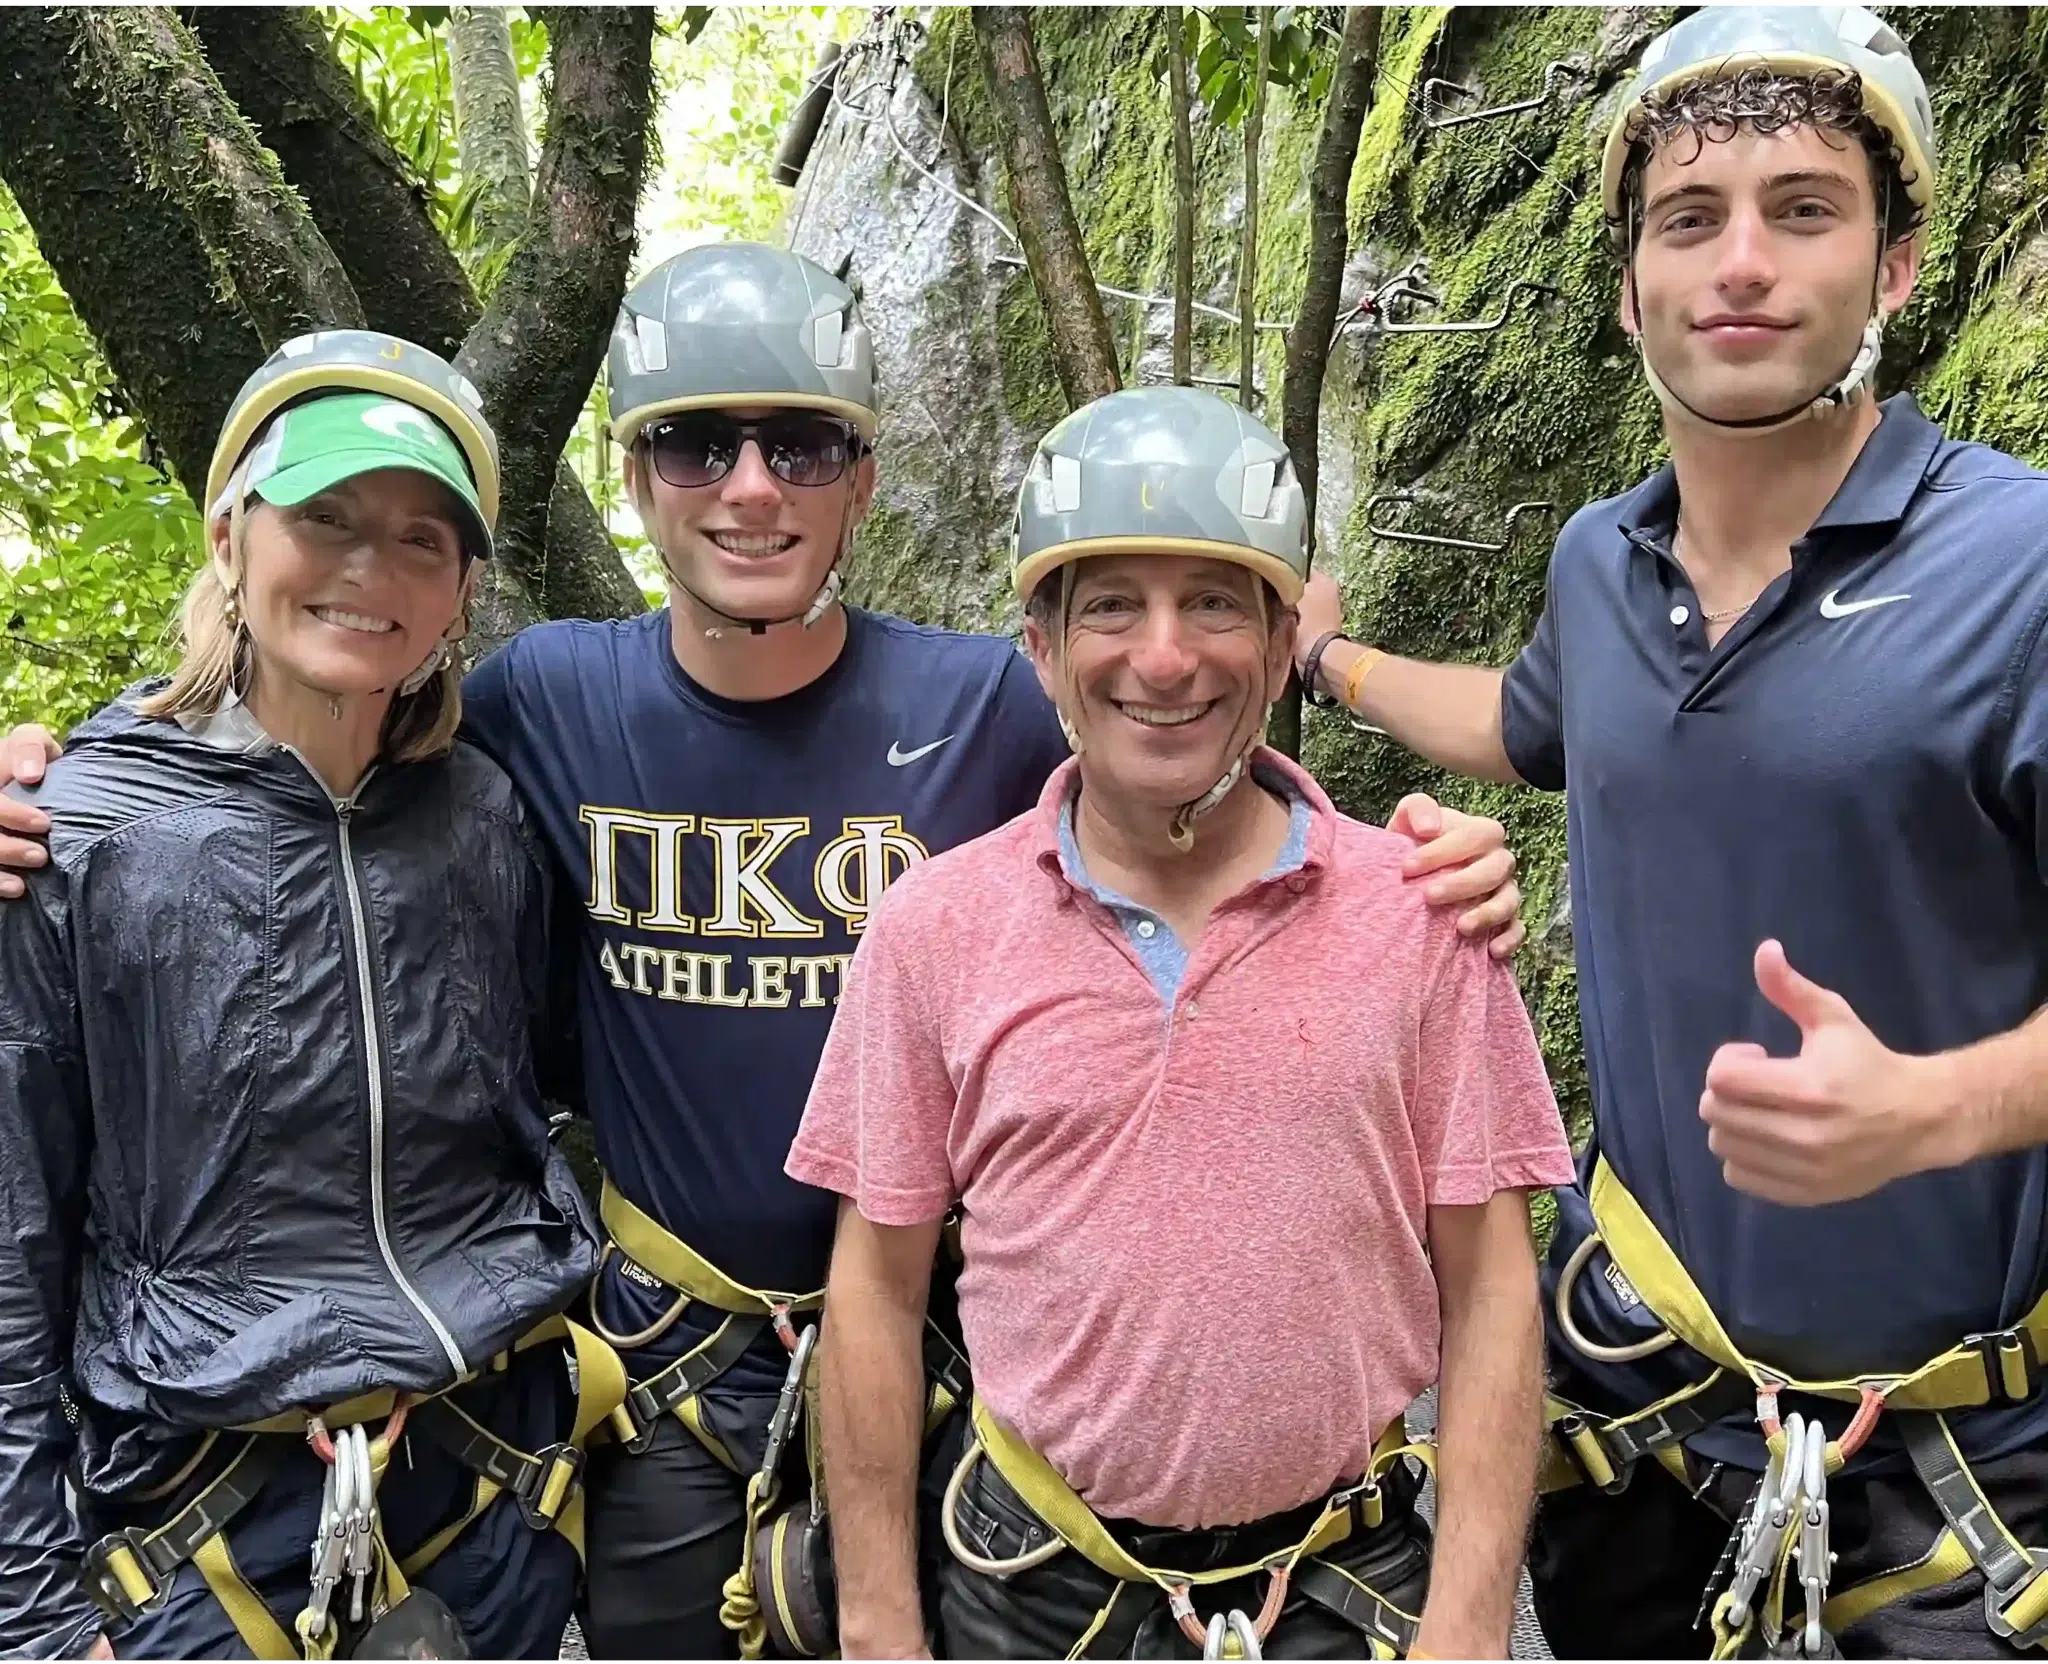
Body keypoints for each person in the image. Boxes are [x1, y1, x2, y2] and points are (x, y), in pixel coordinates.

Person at [0, 243, 1529, 1663]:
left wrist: (1410, 872)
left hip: (942, 1360)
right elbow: (306, 742)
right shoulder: (540, 708)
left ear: (862, 481)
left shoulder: (989, 707)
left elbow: (1173, 775)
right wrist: (62, 781)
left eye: (798, 445)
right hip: (662, 1364)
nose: (747, 489)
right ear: (632, 473)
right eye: (694, 444)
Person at [1291, 5, 2048, 1659]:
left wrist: (1935, 1103)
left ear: (1896, 266)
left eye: (1802, 207)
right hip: (1635, 1404)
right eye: (1686, 219)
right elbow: (1526, 723)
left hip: (1952, 1464)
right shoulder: (1598, 561)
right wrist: (1320, 656)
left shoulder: (2020, 565)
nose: (1740, 264)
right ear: (1630, 279)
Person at [787, 384, 1578, 1664]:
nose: (1163, 657)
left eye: (1213, 601)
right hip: (1029, 1583)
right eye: (1110, 604)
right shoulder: (935, 928)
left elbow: (1490, 1287)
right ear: (1040, 647)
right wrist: (879, 1620)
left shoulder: (1420, 916)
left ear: (1278, 647)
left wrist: (1469, 1623)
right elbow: (873, 1291)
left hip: (1338, 1581)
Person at [0, 330, 616, 1664]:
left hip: (493, 1495)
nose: (368, 569)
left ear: (461, 587)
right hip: (200, 1531)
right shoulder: (74, 838)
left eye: (421, 539)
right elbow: (11, 1238)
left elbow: (575, 1084)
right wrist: (34, 1613)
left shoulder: (493, 813)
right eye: (324, 516)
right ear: (229, 535)